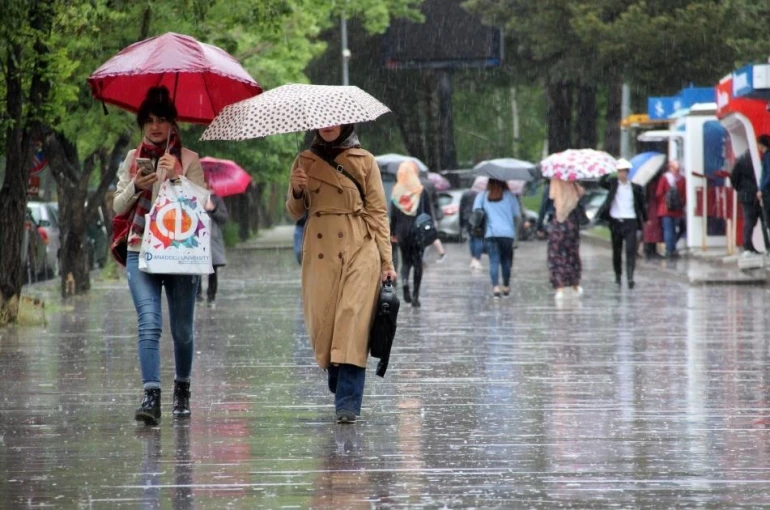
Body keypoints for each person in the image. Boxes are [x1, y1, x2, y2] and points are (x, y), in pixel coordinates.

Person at [286, 124, 396, 424]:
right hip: (320, 252)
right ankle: (339, 376)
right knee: (325, 323)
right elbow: (295, 212)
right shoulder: (303, 161)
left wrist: (387, 261)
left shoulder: (365, 160)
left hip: (359, 246)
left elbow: (377, 212)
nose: (328, 126)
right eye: (322, 121)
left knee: (353, 321)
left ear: (347, 122)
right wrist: (297, 189)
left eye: (334, 120)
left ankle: (348, 402)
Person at [113, 86, 205, 425]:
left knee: (182, 330)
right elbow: (117, 206)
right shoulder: (131, 159)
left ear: (173, 125)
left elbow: (202, 207)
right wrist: (137, 185)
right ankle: (151, 396)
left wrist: (178, 176)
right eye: (149, 120)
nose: (155, 127)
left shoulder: (190, 159)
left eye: (162, 120)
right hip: (141, 249)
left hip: (181, 254)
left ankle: (182, 387)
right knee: (149, 323)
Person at [597, 159, 647, 289]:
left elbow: (641, 205)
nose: (621, 174)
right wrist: (608, 170)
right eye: (619, 172)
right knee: (617, 251)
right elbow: (601, 182)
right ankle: (618, 276)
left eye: (623, 172)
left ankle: (630, 277)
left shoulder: (635, 188)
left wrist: (644, 219)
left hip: (630, 221)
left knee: (630, 250)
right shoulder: (613, 184)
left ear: (628, 173)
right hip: (616, 221)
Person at [390, 161, 433, 307]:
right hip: (418, 232)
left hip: (402, 232)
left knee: (406, 261)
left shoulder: (396, 192)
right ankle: (415, 296)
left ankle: (404, 284)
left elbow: (393, 215)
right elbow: (428, 214)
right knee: (417, 262)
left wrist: (392, 232)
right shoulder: (421, 191)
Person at [472, 179, 520, 298]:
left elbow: (476, 213)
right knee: (506, 261)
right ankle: (506, 286)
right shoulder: (510, 197)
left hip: (491, 234)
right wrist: (516, 236)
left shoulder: (482, 196)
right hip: (507, 234)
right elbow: (517, 216)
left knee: (493, 260)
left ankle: (495, 288)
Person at [547, 180, 585, 299]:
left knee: (556, 255)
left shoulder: (554, 185)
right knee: (572, 254)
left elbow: (547, 203)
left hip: (558, 225)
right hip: (572, 225)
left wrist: (539, 225)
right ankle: (575, 284)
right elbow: (580, 201)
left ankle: (560, 287)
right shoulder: (574, 186)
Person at [197, 181, 228, 308]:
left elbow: (224, 218)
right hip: (196, 236)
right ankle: (197, 295)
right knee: (195, 266)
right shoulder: (194, 197)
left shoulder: (216, 199)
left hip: (212, 238)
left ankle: (211, 296)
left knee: (212, 268)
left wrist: (213, 209)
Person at [731, 149, 765, 254]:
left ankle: (748, 245)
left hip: (746, 194)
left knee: (749, 220)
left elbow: (734, 178)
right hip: (756, 193)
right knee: (757, 220)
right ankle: (749, 245)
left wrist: (740, 188)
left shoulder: (741, 160)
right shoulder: (758, 158)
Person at [655, 160, 687, 258]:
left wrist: (664, 202)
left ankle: (670, 250)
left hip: (665, 209)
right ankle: (672, 248)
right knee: (676, 229)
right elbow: (685, 196)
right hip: (677, 210)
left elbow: (658, 194)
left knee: (668, 230)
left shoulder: (664, 178)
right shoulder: (682, 179)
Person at [460, 187, 483, 270]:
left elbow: (461, 208)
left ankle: (473, 258)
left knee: (472, 238)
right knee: (478, 238)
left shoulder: (466, 193)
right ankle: (477, 259)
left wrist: (461, 222)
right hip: (478, 218)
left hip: (467, 218)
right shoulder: (482, 194)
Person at [643, 175, 665, 260]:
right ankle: (650, 250)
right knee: (651, 228)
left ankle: (650, 250)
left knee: (652, 229)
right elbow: (657, 194)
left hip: (651, 206)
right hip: (652, 206)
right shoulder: (651, 184)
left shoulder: (647, 182)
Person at [756, 135, 770, 243]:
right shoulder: (765, 156)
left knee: (768, 218)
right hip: (766, 190)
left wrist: (761, 188)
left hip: (767, 192)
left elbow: (768, 175)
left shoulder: (767, 157)